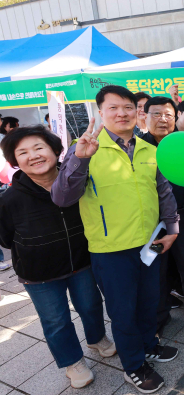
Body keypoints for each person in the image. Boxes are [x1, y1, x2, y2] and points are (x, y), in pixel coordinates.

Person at [51, 85, 180, 394]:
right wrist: (80, 160)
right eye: (113, 108)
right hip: (111, 249)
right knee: (123, 312)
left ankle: (148, 345)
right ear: (101, 113)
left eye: (128, 107)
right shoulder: (84, 148)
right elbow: (62, 197)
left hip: (148, 243)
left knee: (150, 303)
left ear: (138, 112)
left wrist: (172, 227)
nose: (122, 113)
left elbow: (163, 192)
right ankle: (134, 366)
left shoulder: (150, 149)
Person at [0, 127, 116, 389]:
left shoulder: (77, 179)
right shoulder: (11, 199)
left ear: (55, 149)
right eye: (23, 152)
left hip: (81, 262)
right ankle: (72, 362)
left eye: (39, 147)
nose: (34, 156)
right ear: (15, 161)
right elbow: (5, 239)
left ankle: (97, 338)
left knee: (91, 305)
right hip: (39, 274)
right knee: (56, 320)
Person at [140, 97, 184, 331]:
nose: (163, 120)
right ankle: (160, 316)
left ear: (175, 118)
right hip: (151, 221)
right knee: (156, 270)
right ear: (145, 116)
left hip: (181, 216)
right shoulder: (137, 147)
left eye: (168, 115)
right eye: (156, 114)